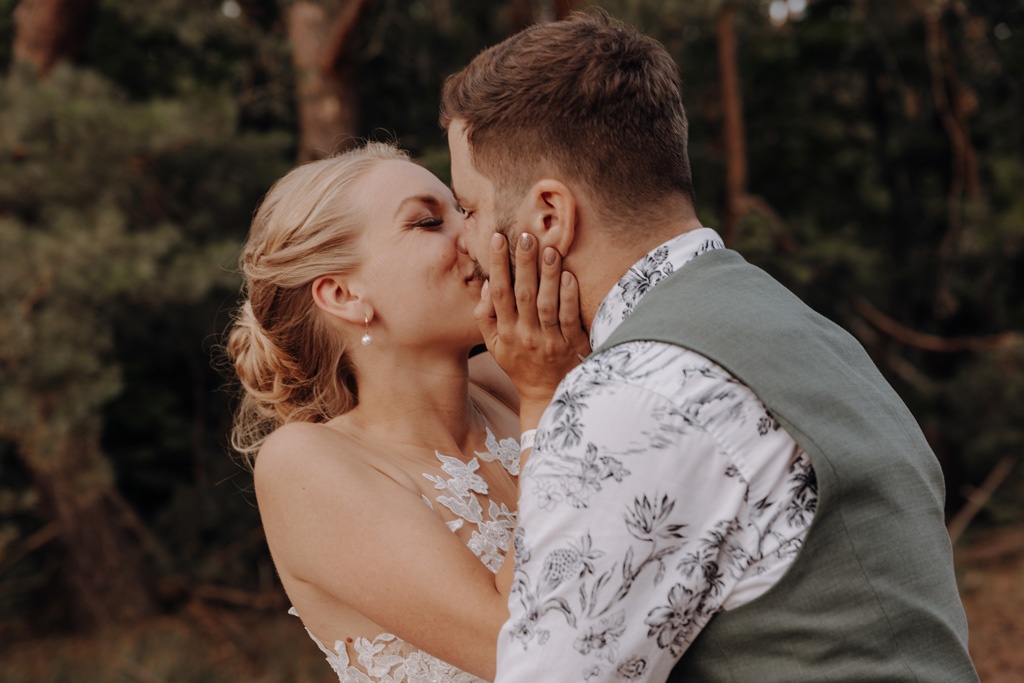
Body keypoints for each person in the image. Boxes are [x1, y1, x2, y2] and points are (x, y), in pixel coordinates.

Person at [441, 10, 979, 683]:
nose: (461, 240)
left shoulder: (637, 392)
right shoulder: (806, 331)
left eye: (468, 208)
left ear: (548, 216)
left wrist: (545, 405)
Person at [225, 142, 589, 682]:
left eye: (462, 212)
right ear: (344, 294)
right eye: (426, 222)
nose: (473, 236)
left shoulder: (518, 376)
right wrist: (547, 399)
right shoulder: (304, 464)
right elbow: (523, 650)